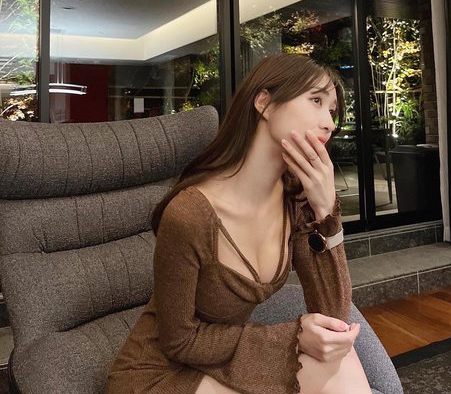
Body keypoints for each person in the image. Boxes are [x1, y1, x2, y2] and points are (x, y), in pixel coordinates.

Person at [107, 53, 372, 394]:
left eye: (332, 111)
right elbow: (179, 341)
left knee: (341, 361)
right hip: (158, 374)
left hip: (218, 360)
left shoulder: (295, 200)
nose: (329, 124)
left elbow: (333, 316)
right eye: (316, 101)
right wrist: (293, 336)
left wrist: (325, 212)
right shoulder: (189, 214)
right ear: (264, 103)